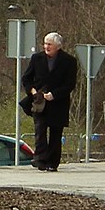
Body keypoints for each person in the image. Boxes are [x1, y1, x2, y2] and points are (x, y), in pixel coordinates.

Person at [21, 31, 79, 171]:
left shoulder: (69, 61)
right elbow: (26, 78)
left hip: (58, 102)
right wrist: (33, 91)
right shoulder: (37, 58)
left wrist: (54, 94)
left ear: (58, 46)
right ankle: (40, 159)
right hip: (39, 102)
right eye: (45, 43)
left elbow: (70, 83)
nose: (46, 46)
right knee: (40, 130)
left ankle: (52, 162)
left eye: (50, 44)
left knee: (55, 132)